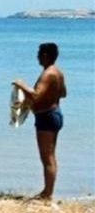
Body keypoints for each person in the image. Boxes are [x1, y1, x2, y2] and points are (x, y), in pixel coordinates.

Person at [12, 43, 67, 200]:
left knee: (47, 157)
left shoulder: (47, 74)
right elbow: (63, 93)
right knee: (50, 156)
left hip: (46, 117)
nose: (37, 57)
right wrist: (50, 95)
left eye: (39, 54)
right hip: (55, 114)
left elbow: (36, 95)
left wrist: (21, 85)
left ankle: (47, 194)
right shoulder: (58, 72)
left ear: (45, 55)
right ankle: (47, 192)